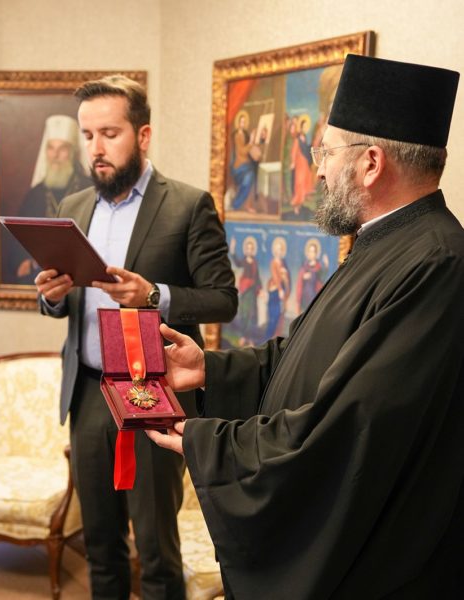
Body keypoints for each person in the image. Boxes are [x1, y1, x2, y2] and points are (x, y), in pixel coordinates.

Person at [147, 54, 464, 599]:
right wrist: (208, 369)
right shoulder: (384, 243)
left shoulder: (436, 263)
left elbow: (350, 427)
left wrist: (208, 442)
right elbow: (301, 354)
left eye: (326, 152)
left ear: (370, 163)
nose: (317, 170)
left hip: (376, 566)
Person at [34, 74, 237, 600]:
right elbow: (64, 303)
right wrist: (52, 296)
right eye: (87, 136)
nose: (96, 149)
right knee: (100, 545)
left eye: (109, 133)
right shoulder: (73, 207)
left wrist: (154, 295)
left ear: (142, 135)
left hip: (155, 394)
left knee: (155, 550)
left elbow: (223, 299)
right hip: (87, 394)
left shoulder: (188, 204)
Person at [15, 114, 92, 283]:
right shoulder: (34, 195)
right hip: (41, 274)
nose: (55, 155)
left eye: (62, 149)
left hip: (82, 273)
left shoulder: (90, 189)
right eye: (51, 148)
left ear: (73, 153)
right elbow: (20, 240)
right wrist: (26, 260)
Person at [229, 235, 262, 346]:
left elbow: (257, 277)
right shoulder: (243, 261)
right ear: (245, 250)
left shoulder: (255, 262)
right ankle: (243, 336)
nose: (249, 250)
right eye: (248, 248)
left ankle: (250, 337)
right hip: (245, 290)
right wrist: (232, 249)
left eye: (251, 248)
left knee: (252, 315)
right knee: (244, 314)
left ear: (253, 250)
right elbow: (236, 262)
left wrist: (261, 289)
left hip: (252, 292)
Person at [294, 238, 329, 314]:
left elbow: (322, 278)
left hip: (313, 297)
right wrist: (303, 277)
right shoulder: (304, 266)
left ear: (316, 253)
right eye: (310, 251)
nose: (311, 253)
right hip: (304, 298)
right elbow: (299, 282)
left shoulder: (318, 267)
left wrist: (326, 266)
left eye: (313, 251)